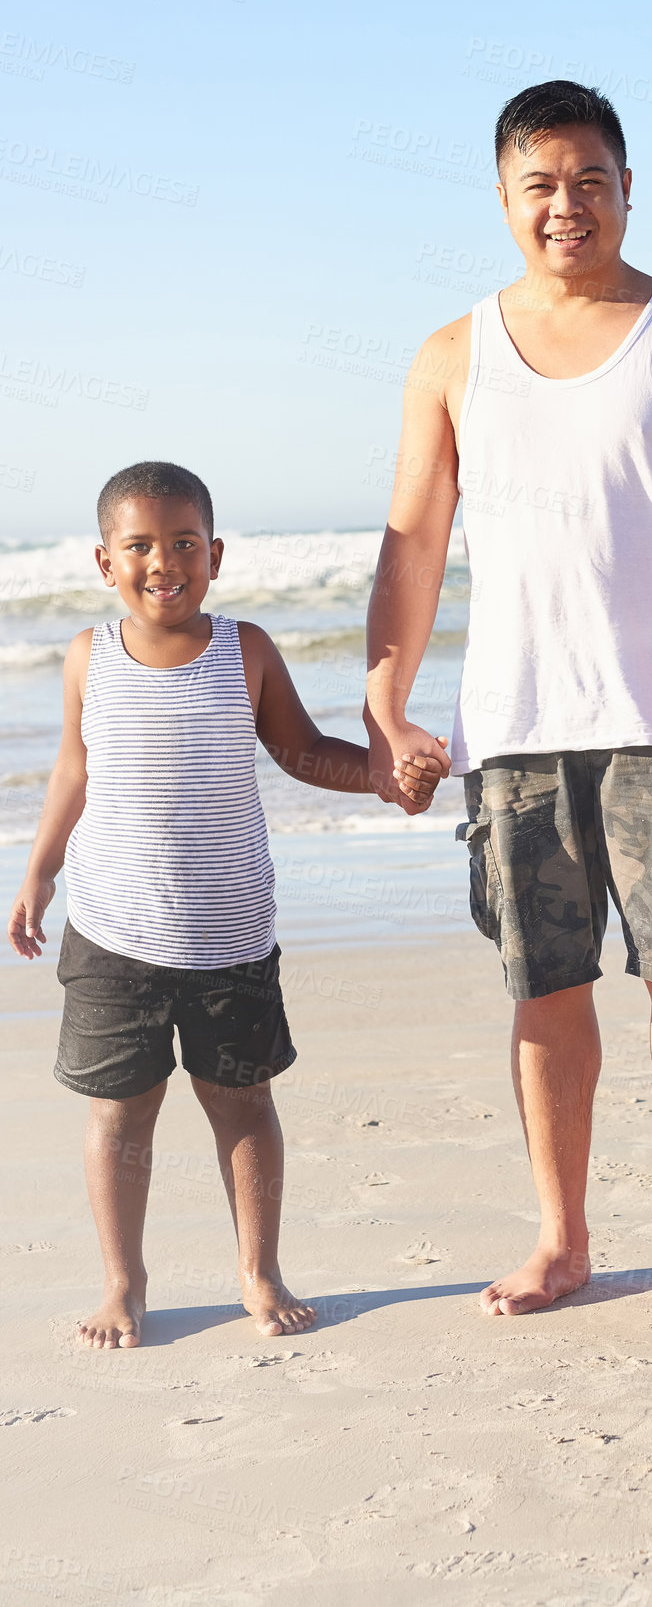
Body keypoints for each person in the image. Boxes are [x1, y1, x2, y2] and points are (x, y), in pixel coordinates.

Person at [365, 81, 652, 1317]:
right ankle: (563, 1238)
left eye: (590, 179)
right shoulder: (454, 354)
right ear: (504, 198)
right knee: (541, 988)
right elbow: (411, 541)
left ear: (627, 185)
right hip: (518, 731)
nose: (568, 205)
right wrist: (387, 701)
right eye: (541, 184)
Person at [7, 462, 441, 1349]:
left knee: (242, 1106)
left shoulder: (244, 650)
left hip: (230, 935)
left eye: (183, 543)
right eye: (139, 546)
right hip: (113, 933)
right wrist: (38, 871)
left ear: (216, 555)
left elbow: (303, 751)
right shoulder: (89, 655)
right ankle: (123, 1284)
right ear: (103, 560)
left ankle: (259, 1270)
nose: (162, 562)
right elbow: (73, 770)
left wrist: (384, 779)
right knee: (119, 1113)